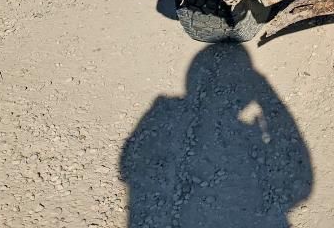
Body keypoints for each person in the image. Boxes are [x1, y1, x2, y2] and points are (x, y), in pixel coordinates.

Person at [120, 43, 312, 227]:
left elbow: (129, 162)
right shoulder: (166, 111)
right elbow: (301, 183)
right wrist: (264, 90)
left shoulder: (164, 111)